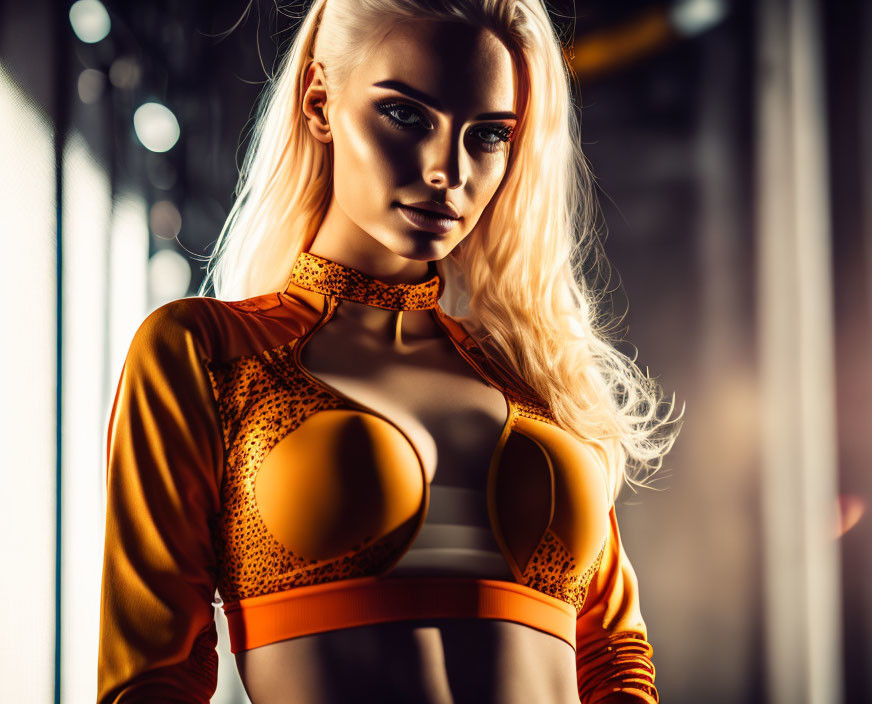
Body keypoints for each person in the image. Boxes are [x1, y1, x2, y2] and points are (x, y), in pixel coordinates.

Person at [96, 0, 682, 702]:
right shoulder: (208, 353)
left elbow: (615, 654)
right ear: (319, 101)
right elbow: (152, 679)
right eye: (407, 115)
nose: (448, 171)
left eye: (489, 134)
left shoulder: (535, 372)